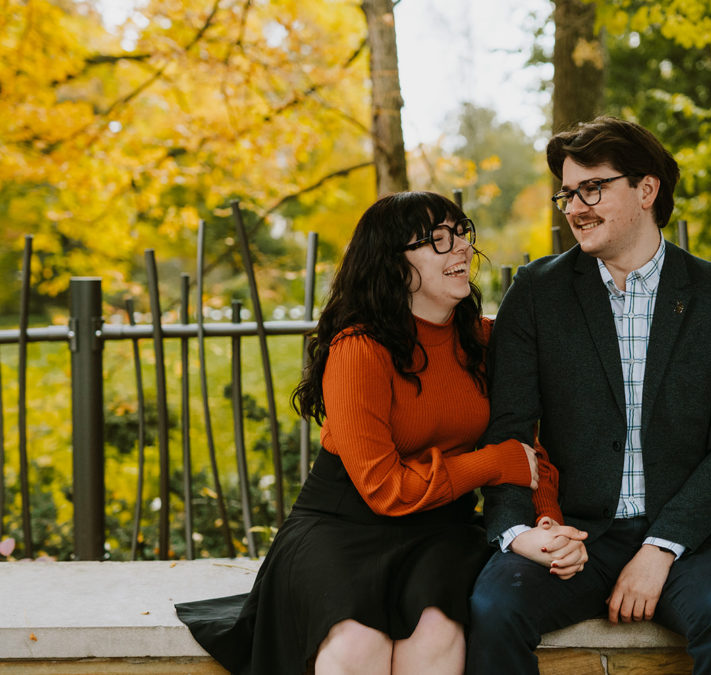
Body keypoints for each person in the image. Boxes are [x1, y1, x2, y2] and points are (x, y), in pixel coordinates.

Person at [175, 191, 562, 675]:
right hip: (344, 525)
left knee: (437, 640)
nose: (461, 247)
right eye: (437, 240)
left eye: (461, 232)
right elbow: (386, 489)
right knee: (356, 648)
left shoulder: (486, 341)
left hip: (441, 528)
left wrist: (546, 522)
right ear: (393, 265)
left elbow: (527, 447)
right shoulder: (360, 349)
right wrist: (491, 462)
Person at [467, 117, 711, 674]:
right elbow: (507, 430)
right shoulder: (537, 293)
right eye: (567, 194)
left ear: (646, 190)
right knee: (493, 606)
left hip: (692, 536)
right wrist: (519, 532)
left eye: (592, 188)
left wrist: (661, 547)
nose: (575, 206)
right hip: (574, 532)